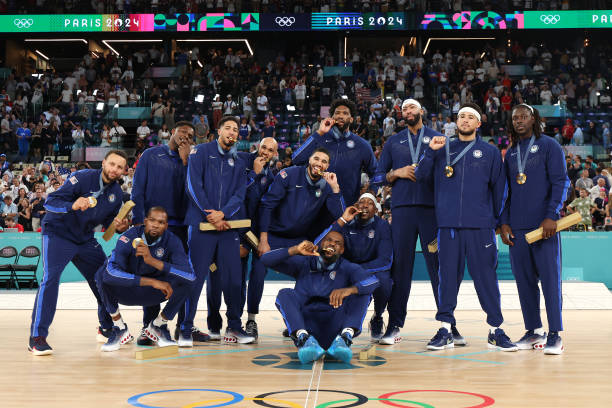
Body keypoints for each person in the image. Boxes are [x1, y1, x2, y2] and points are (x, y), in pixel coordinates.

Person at [415, 103, 517, 351]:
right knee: (447, 278)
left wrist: (495, 221)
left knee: (486, 278)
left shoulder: (491, 152)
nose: (465, 120)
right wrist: (429, 152)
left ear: (479, 123)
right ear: (456, 122)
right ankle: (445, 328)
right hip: (448, 224)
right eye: (461, 117)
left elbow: (500, 190)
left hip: (481, 226)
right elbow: (421, 176)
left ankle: (496, 329)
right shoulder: (441, 148)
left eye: (470, 117)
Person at [372, 99, 461, 345]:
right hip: (401, 212)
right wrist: (396, 173)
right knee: (400, 268)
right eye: (404, 110)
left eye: (412, 108)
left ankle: (448, 324)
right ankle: (395, 324)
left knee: (438, 267)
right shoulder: (393, 141)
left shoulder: (439, 138)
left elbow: (450, 173)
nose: (408, 112)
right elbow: (378, 178)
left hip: (432, 211)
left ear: (421, 111)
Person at [28, 150, 130, 356]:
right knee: (50, 279)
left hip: (85, 239)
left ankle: (106, 327)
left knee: (104, 278)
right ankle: (37, 338)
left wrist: (119, 227)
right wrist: (73, 205)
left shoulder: (117, 194)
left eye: (120, 167)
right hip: (58, 233)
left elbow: (109, 229)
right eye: (112, 164)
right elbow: (50, 202)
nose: (114, 170)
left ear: (123, 171)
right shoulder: (82, 178)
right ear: (104, 163)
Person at [500, 104, 569, 355]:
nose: (519, 120)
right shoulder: (511, 153)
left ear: (534, 119)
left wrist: (551, 215)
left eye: (523, 116)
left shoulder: (550, 145)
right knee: (524, 282)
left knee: (550, 281)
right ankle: (533, 331)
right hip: (518, 228)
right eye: (515, 117)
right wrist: (504, 222)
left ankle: (555, 334)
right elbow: (505, 192)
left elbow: (561, 181)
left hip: (544, 227)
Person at [130, 121, 205, 346]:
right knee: (151, 274)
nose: (185, 137)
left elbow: (194, 192)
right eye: (182, 132)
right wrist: (138, 223)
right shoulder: (151, 155)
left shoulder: (192, 160)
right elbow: (138, 190)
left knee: (183, 275)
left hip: (182, 226)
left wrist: (186, 161)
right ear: (172, 132)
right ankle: (148, 327)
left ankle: (184, 326)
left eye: (190, 136)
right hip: (153, 225)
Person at [184, 116, 254, 344]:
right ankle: (186, 328)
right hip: (202, 225)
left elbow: (240, 193)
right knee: (194, 279)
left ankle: (234, 327)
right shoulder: (201, 152)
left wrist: (223, 214)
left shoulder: (239, 161)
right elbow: (193, 185)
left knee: (234, 280)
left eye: (236, 130)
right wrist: (209, 212)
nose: (232, 132)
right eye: (228, 128)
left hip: (227, 226)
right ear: (219, 130)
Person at [262, 232, 379, 364]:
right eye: (328, 240)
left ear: (342, 250)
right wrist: (295, 250)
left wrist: (349, 290)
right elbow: (265, 259)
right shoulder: (303, 263)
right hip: (307, 326)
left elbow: (373, 281)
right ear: (320, 244)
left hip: (335, 328)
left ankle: (345, 339)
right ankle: (304, 340)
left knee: (363, 293)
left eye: (337, 243)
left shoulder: (347, 267)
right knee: (284, 294)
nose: (332, 244)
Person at [95, 207, 195, 351]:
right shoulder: (128, 236)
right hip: (128, 290)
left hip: (153, 294)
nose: (155, 225)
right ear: (145, 221)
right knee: (100, 274)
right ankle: (119, 327)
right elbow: (111, 273)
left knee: (187, 282)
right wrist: (154, 282)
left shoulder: (172, 241)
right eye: (152, 220)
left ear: (166, 226)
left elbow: (190, 276)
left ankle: (159, 325)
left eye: (161, 222)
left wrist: (152, 261)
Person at [330, 193, 393, 341]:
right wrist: (344, 220)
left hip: (372, 270)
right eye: (361, 202)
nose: (364, 205)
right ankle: (333, 321)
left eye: (369, 203)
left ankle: (377, 317)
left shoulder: (382, 225)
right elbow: (328, 240)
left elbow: (385, 261)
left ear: (376, 209)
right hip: (349, 269)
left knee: (385, 281)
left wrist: (358, 270)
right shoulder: (348, 224)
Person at [292, 98, 377, 206]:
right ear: (332, 117)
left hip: (346, 207)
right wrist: (319, 132)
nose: (340, 116)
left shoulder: (362, 145)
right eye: (337, 113)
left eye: (345, 113)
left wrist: (371, 193)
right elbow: (296, 159)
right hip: (316, 206)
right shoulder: (319, 138)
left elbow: (375, 173)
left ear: (351, 119)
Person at [258, 148, 343, 254]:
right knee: (260, 268)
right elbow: (267, 205)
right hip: (273, 236)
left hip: (299, 240)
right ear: (309, 160)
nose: (319, 163)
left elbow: (339, 216)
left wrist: (335, 188)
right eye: (316, 159)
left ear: (327, 166)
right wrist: (263, 239)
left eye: (324, 161)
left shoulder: (328, 185)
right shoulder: (289, 174)